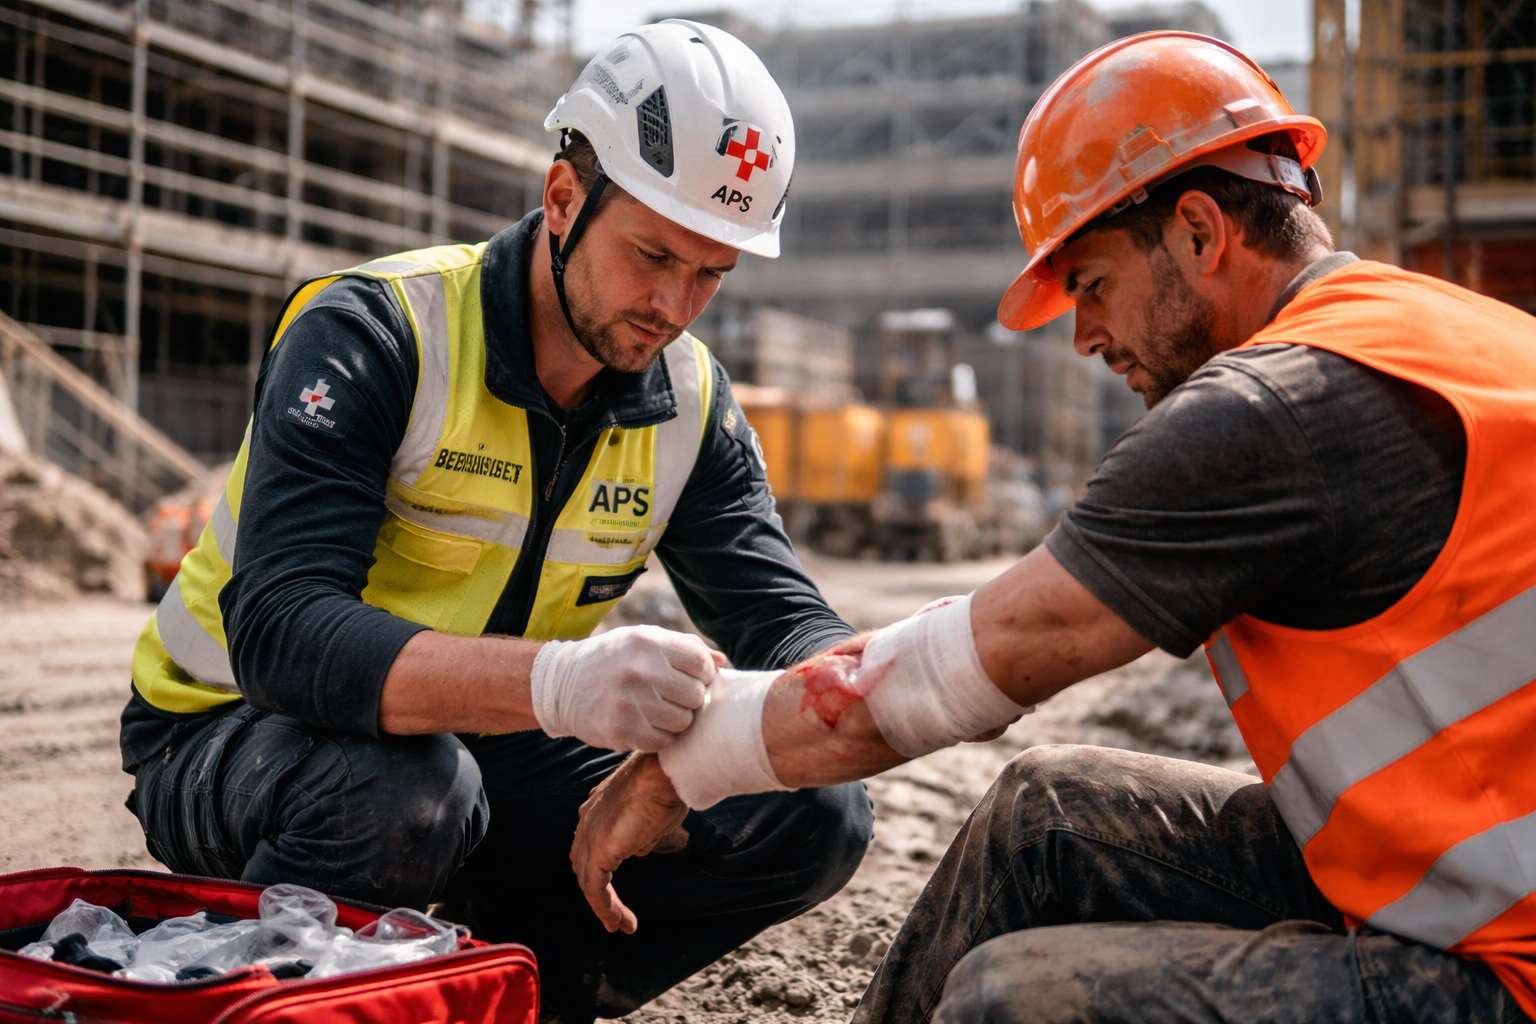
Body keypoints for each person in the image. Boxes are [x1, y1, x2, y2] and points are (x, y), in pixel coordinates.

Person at [570, 31, 1536, 1024]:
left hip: (1503, 969)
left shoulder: (1273, 411)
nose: (1084, 336)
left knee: (1014, 1003)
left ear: (1200, 233)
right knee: (1048, 815)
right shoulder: (1440, 331)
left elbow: (949, 673)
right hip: (1444, 876)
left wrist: (684, 767)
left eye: (1092, 284)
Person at [119, 20, 873, 1022]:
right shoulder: (378, 332)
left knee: (813, 809)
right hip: (235, 734)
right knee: (406, 791)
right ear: (563, 197)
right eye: (652, 253)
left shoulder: (691, 403)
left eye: (712, 272)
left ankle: (523, 987)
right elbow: (282, 632)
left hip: (478, 740)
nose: (674, 304)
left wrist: (855, 682)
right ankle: (261, 990)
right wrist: (561, 681)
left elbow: (779, 612)